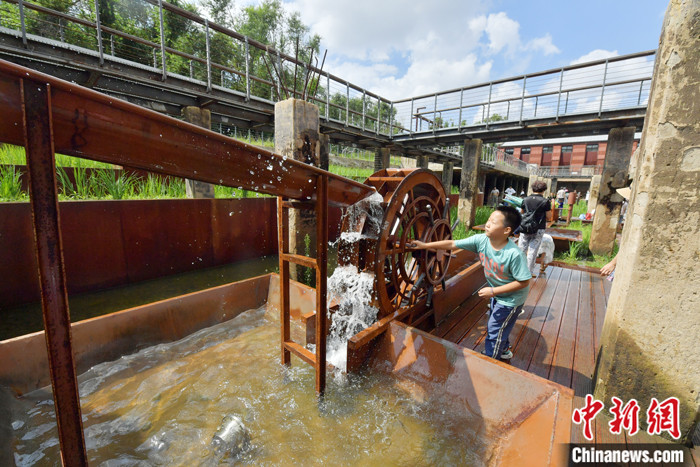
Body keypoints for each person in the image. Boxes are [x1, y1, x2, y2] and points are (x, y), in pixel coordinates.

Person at [412, 206, 530, 361]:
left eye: (493, 222)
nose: (487, 224)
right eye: (488, 220)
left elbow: (523, 282)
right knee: (500, 325)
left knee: (494, 329)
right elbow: (453, 244)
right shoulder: (481, 240)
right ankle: (504, 350)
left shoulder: (514, 254)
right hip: (498, 293)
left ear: (506, 230)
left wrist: (493, 292)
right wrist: (425, 246)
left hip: (511, 299)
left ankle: (490, 360)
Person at [518, 181, 552, 277]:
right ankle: (528, 272)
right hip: (538, 228)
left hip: (525, 227)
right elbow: (549, 216)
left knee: (522, 249)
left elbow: (522, 212)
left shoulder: (525, 199)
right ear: (544, 190)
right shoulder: (545, 201)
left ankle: (519, 270)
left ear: (533, 189)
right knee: (533, 250)